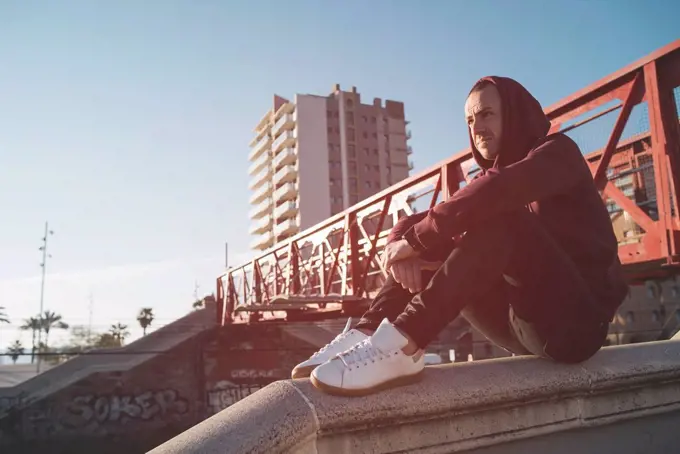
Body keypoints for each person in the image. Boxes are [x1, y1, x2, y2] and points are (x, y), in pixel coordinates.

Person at [291, 76, 629, 397]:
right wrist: (403, 246)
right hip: (518, 325)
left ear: (514, 114)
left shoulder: (557, 154)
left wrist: (415, 242)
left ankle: (404, 342)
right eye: (470, 120)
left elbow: (498, 191)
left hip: (577, 325)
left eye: (486, 114)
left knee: (498, 220)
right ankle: (366, 332)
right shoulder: (487, 179)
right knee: (445, 231)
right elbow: (420, 220)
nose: (477, 128)